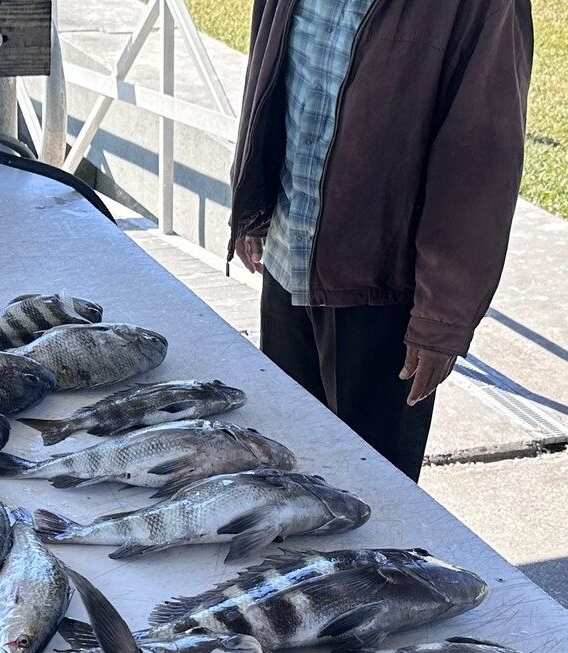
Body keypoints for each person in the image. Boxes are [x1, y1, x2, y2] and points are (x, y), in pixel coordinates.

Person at [228, 0, 534, 481]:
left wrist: (442, 319)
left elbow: (479, 162)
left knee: (371, 500)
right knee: (282, 474)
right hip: (288, 256)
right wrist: (255, 198)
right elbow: (274, 63)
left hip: (381, 292)